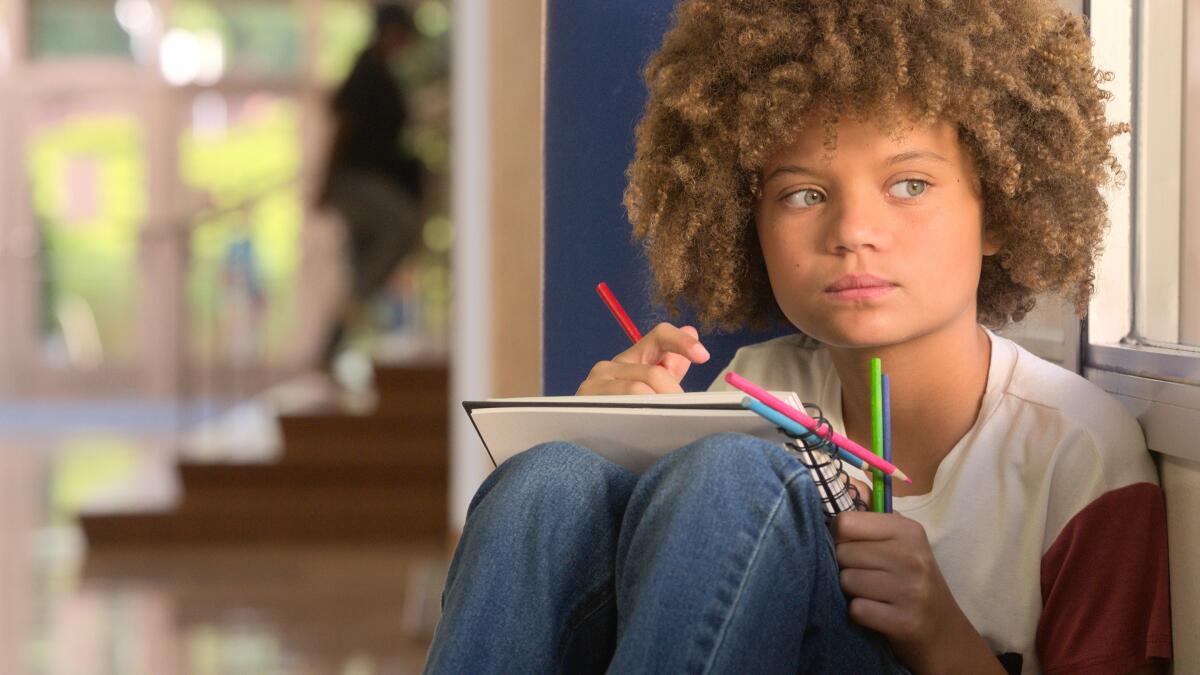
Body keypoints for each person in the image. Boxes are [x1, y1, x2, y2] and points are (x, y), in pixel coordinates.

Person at [425, 0, 1173, 673]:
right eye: (803, 194)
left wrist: (942, 635)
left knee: (732, 476)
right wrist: (604, 444)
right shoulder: (752, 388)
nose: (853, 232)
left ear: (1002, 210)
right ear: (746, 226)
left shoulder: (1081, 452)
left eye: (909, 183)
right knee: (549, 481)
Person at [317, 3, 424, 369]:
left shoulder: (382, 74)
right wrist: (325, 182)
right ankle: (343, 324)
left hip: (368, 180)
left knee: (358, 268)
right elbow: (342, 129)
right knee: (398, 227)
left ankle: (331, 348)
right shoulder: (366, 73)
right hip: (358, 181)